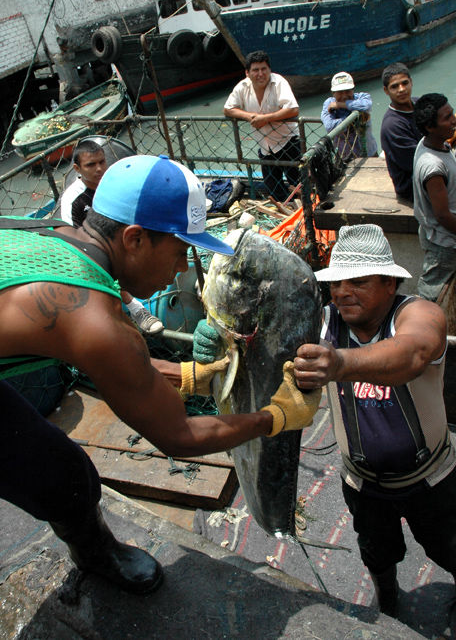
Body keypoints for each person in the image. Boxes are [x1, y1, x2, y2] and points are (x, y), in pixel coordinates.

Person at [0, 154, 321, 595]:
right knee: (65, 479)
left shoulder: (63, 240)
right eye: (180, 251)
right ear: (135, 239)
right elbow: (179, 438)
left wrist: (188, 374)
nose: (181, 268)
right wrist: (275, 417)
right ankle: (98, 556)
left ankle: (90, 548)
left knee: (62, 473)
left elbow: (104, 354)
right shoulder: (95, 323)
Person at [192, 223, 456, 617]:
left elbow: (414, 353)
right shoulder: (322, 323)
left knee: (450, 548)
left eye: (358, 282)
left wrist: (341, 362)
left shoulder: (419, 312)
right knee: (377, 554)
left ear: (389, 284)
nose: (342, 293)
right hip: (362, 483)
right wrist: (218, 333)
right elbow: (258, 342)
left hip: (431, 478)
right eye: (335, 284)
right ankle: (388, 606)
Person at [60, 139, 163, 334]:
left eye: (102, 162)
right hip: (93, 250)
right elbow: (72, 240)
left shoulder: (111, 183)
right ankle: (136, 309)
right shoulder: (73, 200)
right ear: (77, 168)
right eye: (91, 165)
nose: (99, 169)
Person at [223, 50, 302, 204]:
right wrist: (249, 116)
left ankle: (304, 211)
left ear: (269, 70)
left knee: (299, 184)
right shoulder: (242, 87)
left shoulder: (279, 82)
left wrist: (266, 119)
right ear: (247, 73)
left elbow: (293, 109)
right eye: (255, 70)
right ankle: (287, 212)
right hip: (265, 146)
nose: (260, 74)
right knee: (273, 188)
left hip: (288, 141)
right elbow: (228, 109)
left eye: (263, 69)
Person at [413, 93, 456, 301]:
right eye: (447, 118)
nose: (454, 120)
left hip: (439, 234)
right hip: (445, 242)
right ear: (430, 127)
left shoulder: (432, 142)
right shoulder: (432, 167)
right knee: (432, 294)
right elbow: (443, 216)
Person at [380, 62, 422, 203]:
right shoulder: (393, 125)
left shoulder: (420, 104)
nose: (401, 89)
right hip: (413, 186)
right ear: (386, 91)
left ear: (411, 82)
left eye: (405, 83)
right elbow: (418, 163)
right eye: (394, 86)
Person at [321, 71, 378, 161]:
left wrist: (341, 104)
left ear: (353, 90)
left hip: (369, 154)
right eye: (340, 92)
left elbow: (366, 106)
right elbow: (329, 126)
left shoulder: (362, 97)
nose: (344, 96)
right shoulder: (328, 103)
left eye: (348, 91)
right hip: (344, 158)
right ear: (333, 93)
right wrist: (352, 119)